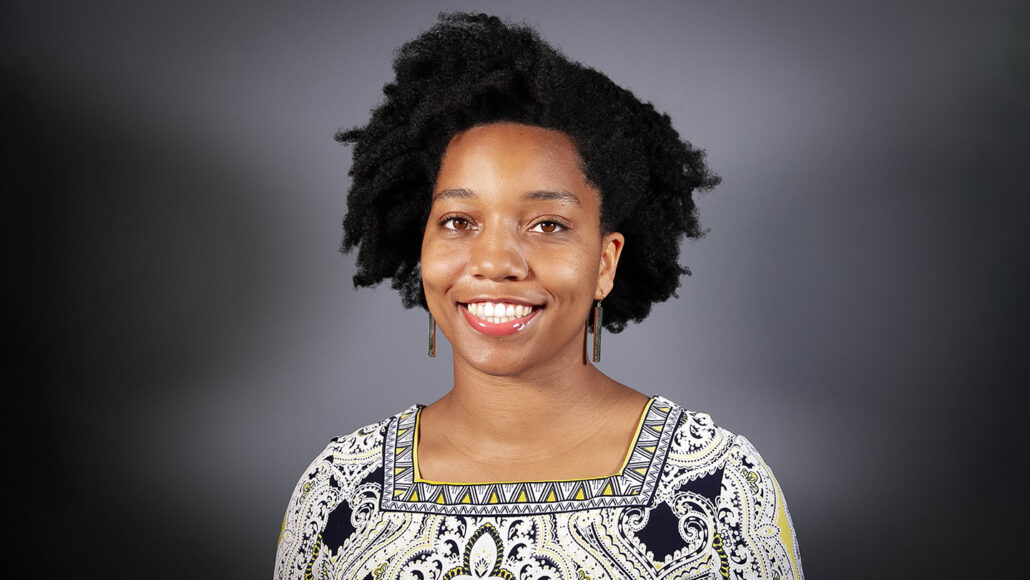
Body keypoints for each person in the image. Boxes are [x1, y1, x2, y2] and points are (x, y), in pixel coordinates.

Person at [275, 12, 803, 580]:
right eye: (458, 221)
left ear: (606, 262)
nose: (495, 263)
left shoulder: (716, 486)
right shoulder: (339, 490)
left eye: (547, 225)